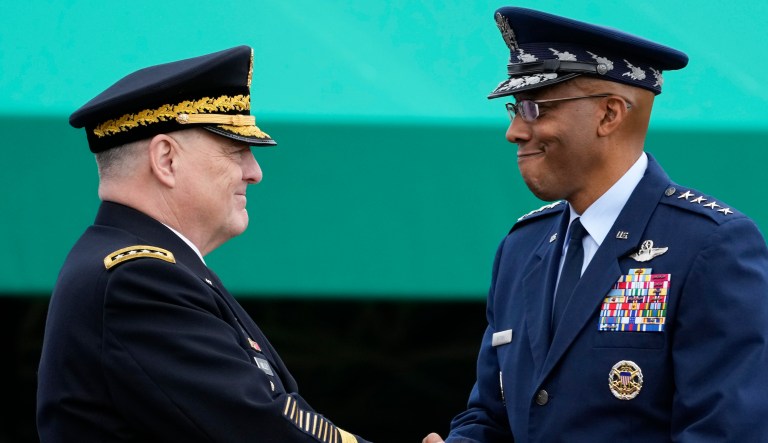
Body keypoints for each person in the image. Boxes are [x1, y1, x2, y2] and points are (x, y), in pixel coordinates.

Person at [424, 7, 768, 443]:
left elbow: (726, 432)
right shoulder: (521, 248)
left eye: (535, 108)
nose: (514, 130)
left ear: (609, 115)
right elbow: (492, 418)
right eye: (515, 109)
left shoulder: (710, 244)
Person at [37, 46, 369, 443]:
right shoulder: (139, 280)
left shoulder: (150, 271)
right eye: (235, 149)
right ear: (166, 159)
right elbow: (260, 427)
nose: (255, 172)